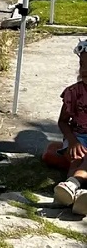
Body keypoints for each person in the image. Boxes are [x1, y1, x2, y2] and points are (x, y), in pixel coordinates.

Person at [53, 39, 87, 215]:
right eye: (82, 64)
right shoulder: (73, 92)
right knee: (76, 159)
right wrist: (73, 141)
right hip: (78, 137)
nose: (85, 69)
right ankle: (73, 193)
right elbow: (63, 121)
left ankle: (73, 185)